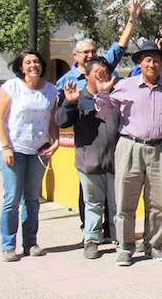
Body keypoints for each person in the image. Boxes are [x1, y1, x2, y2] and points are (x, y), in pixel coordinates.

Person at [56, 0, 144, 238]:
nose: (91, 55)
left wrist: (132, 19)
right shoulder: (67, 83)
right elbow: (60, 117)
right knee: (90, 200)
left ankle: (116, 237)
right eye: (85, 52)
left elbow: (121, 46)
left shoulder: (107, 76)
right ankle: (91, 236)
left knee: (114, 201)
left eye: (93, 51)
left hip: (113, 158)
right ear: (76, 56)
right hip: (89, 156)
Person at [93, 41, 162, 267]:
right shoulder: (126, 85)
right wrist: (103, 92)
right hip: (130, 147)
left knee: (158, 202)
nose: (152, 64)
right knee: (125, 200)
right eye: (147, 60)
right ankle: (125, 247)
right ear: (140, 64)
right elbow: (104, 111)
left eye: (156, 60)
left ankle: (154, 245)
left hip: (160, 149)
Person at [0, 50, 60, 262]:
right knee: (12, 198)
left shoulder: (50, 90)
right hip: (13, 149)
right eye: (28, 62)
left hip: (38, 151)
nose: (33, 65)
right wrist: (6, 147)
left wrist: (55, 140)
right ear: (21, 67)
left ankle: (30, 242)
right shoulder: (11, 87)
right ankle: (8, 245)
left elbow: (52, 121)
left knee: (32, 198)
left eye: (37, 62)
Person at [56, 57, 120, 260]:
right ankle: (92, 240)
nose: (102, 75)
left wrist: (105, 93)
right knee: (93, 203)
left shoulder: (116, 97)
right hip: (90, 161)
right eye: (97, 72)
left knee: (117, 203)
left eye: (106, 72)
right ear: (87, 76)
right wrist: (69, 103)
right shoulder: (78, 97)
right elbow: (62, 122)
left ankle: (120, 239)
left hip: (116, 161)